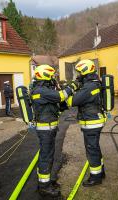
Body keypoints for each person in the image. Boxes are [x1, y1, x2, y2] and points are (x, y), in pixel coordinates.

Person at [30, 64, 77, 197]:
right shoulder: (41, 90)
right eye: (51, 76)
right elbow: (61, 96)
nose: (53, 78)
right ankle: (44, 186)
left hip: (48, 127)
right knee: (46, 156)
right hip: (46, 129)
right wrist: (72, 86)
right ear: (45, 76)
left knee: (47, 154)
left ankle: (45, 181)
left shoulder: (42, 89)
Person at [66, 59, 106, 187]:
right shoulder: (94, 83)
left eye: (79, 72)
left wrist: (67, 92)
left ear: (85, 71)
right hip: (95, 120)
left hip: (91, 122)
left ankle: (95, 177)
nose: (78, 75)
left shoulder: (88, 87)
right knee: (95, 147)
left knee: (91, 150)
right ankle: (101, 172)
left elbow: (72, 101)